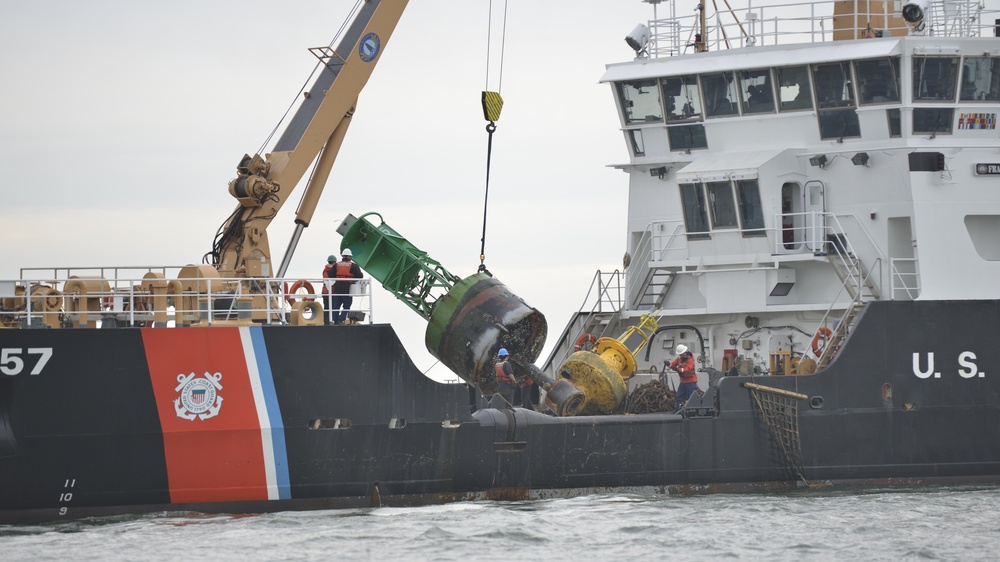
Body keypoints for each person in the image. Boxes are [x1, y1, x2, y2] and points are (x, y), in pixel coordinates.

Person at [329, 249, 363, 324]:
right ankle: (341, 319)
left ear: (343, 256)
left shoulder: (336, 265)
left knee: (336, 306)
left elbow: (330, 275)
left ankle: (335, 321)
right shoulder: (353, 266)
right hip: (347, 287)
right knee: (347, 305)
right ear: (349, 256)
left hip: (337, 287)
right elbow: (360, 276)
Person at [669, 344, 698, 411]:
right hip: (683, 382)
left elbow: (689, 368)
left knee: (691, 397)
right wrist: (669, 364)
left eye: (681, 354)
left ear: (684, 353)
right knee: (679, 396)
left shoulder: (690, 359)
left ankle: (693, 411)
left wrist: (680, 370)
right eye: (680, 354)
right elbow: (673, 364)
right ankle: (677, 410)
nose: (680, 356)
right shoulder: (679, 359)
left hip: (690, 382)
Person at [321, 255, 336, 325]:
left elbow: (325, 279)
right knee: (332, 307)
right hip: (331, 291)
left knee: (326, 307)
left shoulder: (325, 270)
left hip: (325, 292)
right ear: (334, 262)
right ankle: (331, 321)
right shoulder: (335, 270)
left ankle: (326, 322)